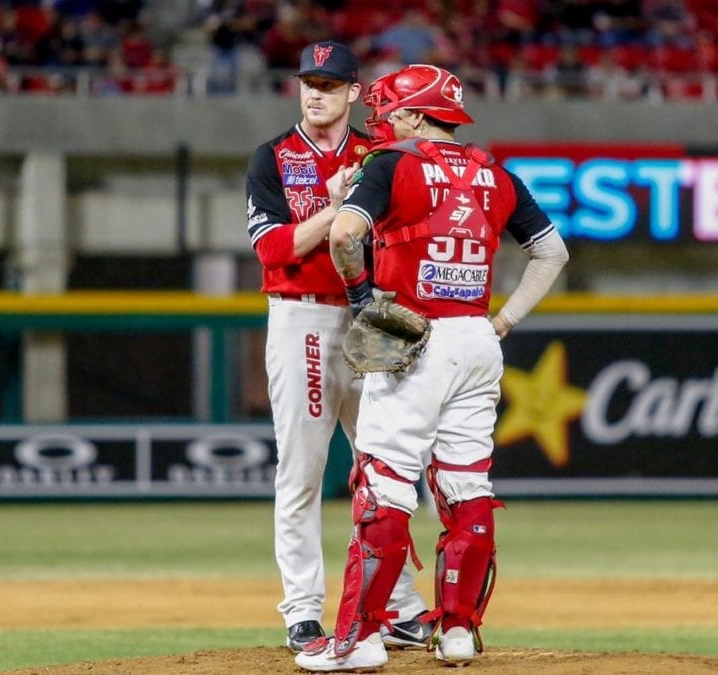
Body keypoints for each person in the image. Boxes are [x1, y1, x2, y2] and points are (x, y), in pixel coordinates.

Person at [295, 63, 570, 672]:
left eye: (392, 112)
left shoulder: (390, 164)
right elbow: (552, 251)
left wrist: (364, 297)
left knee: (383, 486)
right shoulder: (495, 172)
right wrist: (506, 320)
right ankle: (459, 633)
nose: (385, 123)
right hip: (478, 338)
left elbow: (343, 235)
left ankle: (358, 640)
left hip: (412, 337)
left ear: (418, 114)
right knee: (467, 485)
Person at [244, 40, 432, 654]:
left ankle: (399, 607)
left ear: (355, 92)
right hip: (302, 318)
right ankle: (302, 609)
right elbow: (274, 250)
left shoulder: (379, 155)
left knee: (383, 467)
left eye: (329, 83)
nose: (315, 92)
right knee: (301, 471)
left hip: (369, 315)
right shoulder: (273, 157)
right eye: (308, 81)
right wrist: (337, 208)